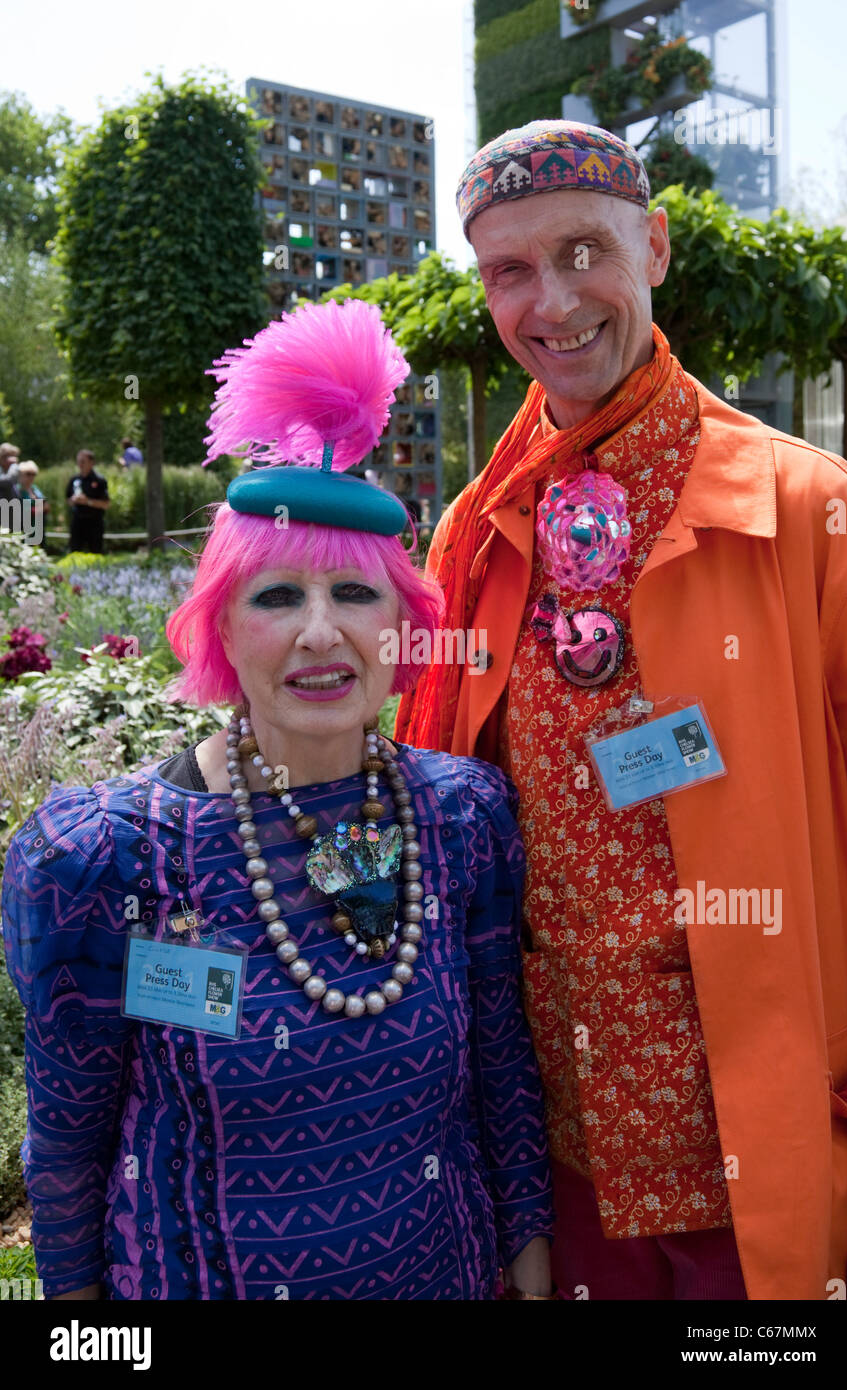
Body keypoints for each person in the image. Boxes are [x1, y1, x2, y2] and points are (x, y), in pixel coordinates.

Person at [396, 120, 847, 1301]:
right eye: (508, 270)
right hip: (552, 1157)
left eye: (581, 253)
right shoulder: (468, 535)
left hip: (761, 1142)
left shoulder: (812, 510)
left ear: (651, 247)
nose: (549, 302)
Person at [1, 299, 554, 1301]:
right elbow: (68, 1147)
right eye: (275, 596)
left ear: (401, 624)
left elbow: (501, 1068)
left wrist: (531, 1258)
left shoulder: (462, 817)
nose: (318, 633)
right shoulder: (101, 860)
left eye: (353, 595)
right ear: (219, 625)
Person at [66, 448, 110, 553]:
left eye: (83, 461)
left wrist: (87, 501)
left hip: (94, 522)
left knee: (96, 552)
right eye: (78, 462)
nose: (80, 464)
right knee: (75, 552)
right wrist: (73, 500)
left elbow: (106, 504)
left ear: (91, 462)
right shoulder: (74, 479)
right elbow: (68, 499)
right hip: (77, 521)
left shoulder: (99, 480)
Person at [12, 461, 49, 543]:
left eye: (34, 474)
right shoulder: (17, 490)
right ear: (20, 474)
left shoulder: (35, 489)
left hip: (38, 528)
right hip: (24, 529)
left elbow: (46, 507)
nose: (31, 477)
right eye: (28, 474)